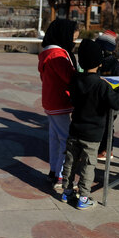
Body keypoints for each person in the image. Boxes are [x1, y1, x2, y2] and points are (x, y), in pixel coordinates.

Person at [60, 39, 119, 209]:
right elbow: (117, 103)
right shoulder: (101, 85)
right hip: (93, 135)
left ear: (80, 61)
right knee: (88, 165)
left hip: (75, 130)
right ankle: (83, 197)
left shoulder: (75, 80)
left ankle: (66, 192)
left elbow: (72, 98)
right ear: (99, 62)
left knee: (70, 161)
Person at [38, 18, 79, 190]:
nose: (74, 43)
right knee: (66, 140)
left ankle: (54, 171)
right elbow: (70, 78)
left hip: (51, 101)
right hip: (60, 102)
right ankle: (62, 175)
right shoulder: (58, 56)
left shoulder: (48, 53)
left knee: (55, 138)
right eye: (73, 39)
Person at [96, 30, 119, 160]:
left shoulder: (115, 65)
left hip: (109, 102)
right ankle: (103, 148)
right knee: (103, 125)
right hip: (101, 100)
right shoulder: (99, 61)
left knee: (107, 126)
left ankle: (106, 150)